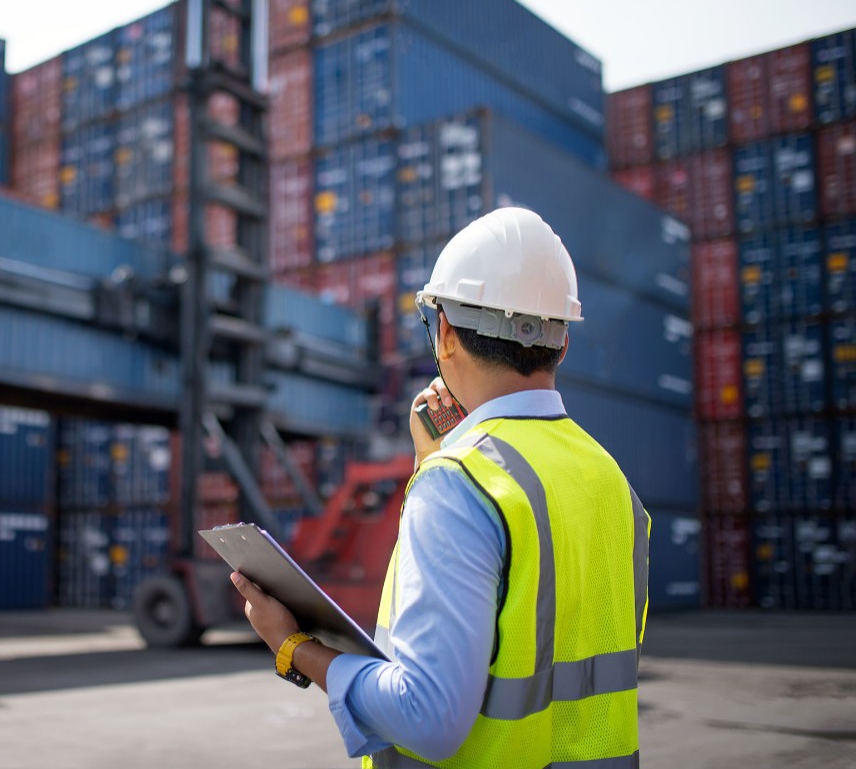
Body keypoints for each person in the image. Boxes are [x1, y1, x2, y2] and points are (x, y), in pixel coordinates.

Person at [232, 206, 650, 767]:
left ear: (445, 334)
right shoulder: (611, 481)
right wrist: (436, 459)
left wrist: (294, 647)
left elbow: (427, 720)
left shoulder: (461, 484)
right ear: (563, 342)